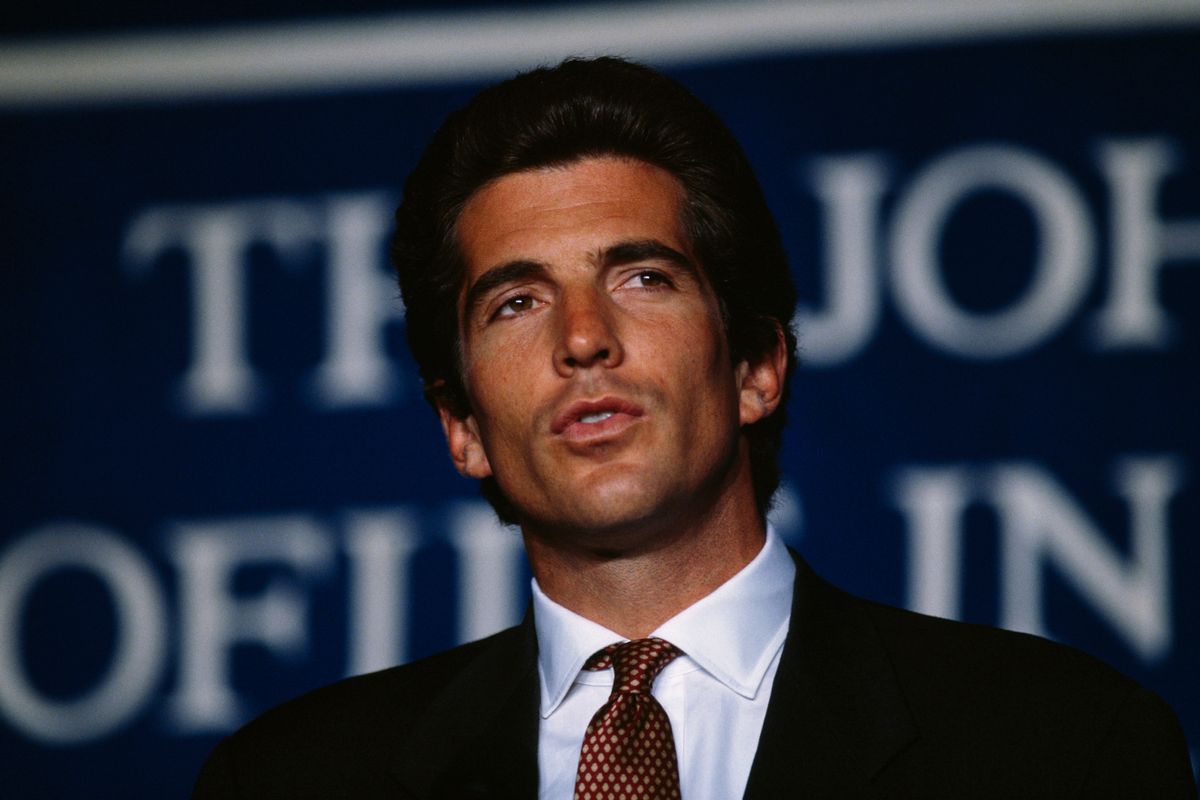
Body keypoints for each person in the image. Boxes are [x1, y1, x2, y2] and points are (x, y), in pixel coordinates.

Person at [193, 57, 1196, 800]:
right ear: (462, 425)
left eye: (642, 277)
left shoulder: (1062, 747)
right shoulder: (289, 780)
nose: (583, 338)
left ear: (756, 366)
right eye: (517, 302)